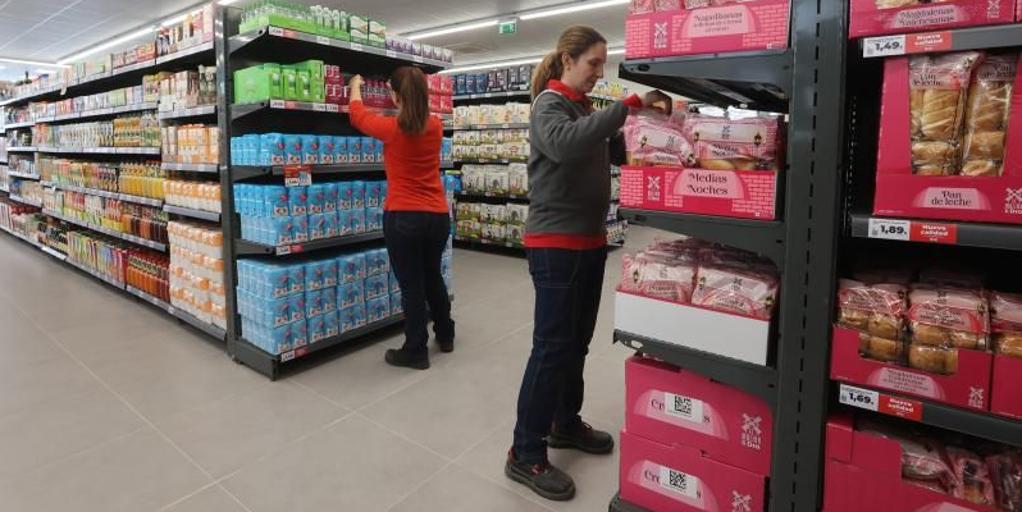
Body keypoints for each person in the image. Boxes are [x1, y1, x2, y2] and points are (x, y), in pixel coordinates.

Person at [505, 25, 664, 501]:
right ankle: (524, 451)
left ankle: (564, 423)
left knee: (576, 345)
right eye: (593, 63)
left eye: (603, 64)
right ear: (567, 59)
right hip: (555, 245)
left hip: (590, 242)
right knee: (551, 348)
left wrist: (653, 136)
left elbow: (605, 148)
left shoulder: (584, 109)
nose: (599, 72)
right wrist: (627, 107)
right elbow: (565, 145)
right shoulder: (548, 106)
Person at [348, 67, 455, 370]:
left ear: (395, 96)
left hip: (403, 216)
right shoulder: (435, 126)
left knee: (411, 285)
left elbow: (357, 115)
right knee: (433, 275)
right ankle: (445, 334)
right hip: (437, 215)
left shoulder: (391, 129)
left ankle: (415, 349)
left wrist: (356, 83)